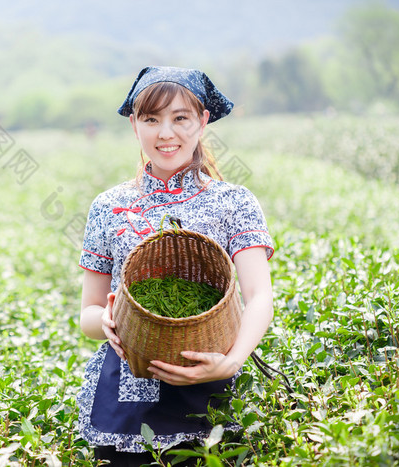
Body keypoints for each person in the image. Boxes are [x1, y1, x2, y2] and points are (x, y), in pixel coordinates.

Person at [77, 66, 275, 465]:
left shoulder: (233, 202)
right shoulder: (109, 207)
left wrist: (230, 362)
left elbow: (258, 296)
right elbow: (88, 314)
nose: (165, 133)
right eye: (151, 119)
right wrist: (110, 322)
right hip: (125, 406)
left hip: (214, 389)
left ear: (202, 122)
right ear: (135, 125)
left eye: (180, 118)